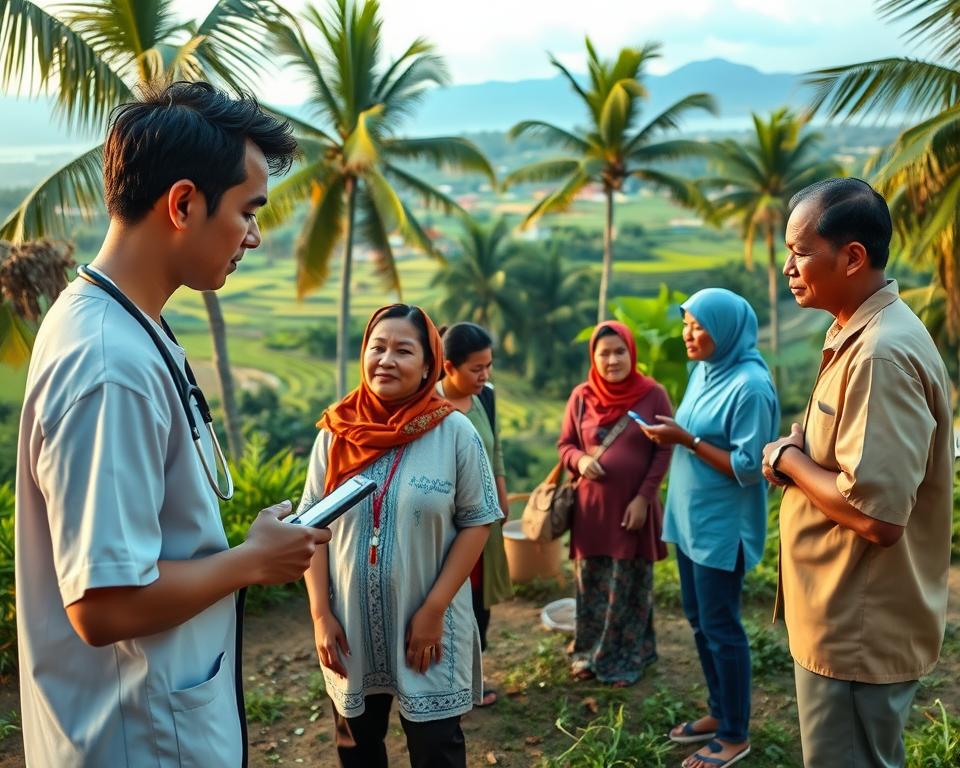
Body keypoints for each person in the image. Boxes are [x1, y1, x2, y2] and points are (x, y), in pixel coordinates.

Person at [15, 81, 330, 767]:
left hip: (152, 717)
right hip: (138, 737)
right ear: (183, 202)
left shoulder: (122, 319)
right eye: (248, 212)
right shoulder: (110, 365)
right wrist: (252, 562)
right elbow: (103, 605)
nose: (252, 235)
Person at [762, 178, 953, 768]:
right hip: (841, 613)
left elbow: (876, 517)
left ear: (852, 257)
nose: (788, 266)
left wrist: (789, 460)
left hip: (855, 626)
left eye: (800, 251)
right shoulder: (858, 329)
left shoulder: (880, 354)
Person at [301, 303, 502, 768]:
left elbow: (479, 521)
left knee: (436, 751)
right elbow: (312, 525)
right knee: (357, 746)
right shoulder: (336, 432)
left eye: (403, 350)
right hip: (349, 623)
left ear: (429, 364)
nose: (386, 360)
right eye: (378, 347)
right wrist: (319, 614)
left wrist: (433, 610)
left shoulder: (454, 433)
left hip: (428, 625)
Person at [641, 288, 779, 768]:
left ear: (725, 331)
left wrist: (687, 439)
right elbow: (691, 430)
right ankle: (720, 713)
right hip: (691, 521)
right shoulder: (705, 370)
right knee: (700, 622)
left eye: (699, 327)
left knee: (722, 628)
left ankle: (736, 733)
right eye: (686, 325)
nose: (689, 335)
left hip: (723, 529)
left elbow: (748, 467)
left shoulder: (750, 387)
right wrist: (673, 434)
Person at [557, 321, 673, 687]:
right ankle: (589, 654)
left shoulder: (653, 394)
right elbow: (565, 445)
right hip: (590, 514)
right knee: (590, 585)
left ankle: (625, 659)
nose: (612, 360)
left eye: (619, 351)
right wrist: (578, 461)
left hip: (632, 512)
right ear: (593, 357)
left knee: (628, 586)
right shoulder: (581, 396)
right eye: (604, 353)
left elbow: (663, 448)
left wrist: (644, 498)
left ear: (631, 352)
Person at [437, 322, 513, 707]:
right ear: (449, 367)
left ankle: (471, 677)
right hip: (443, 525)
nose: (485, 376)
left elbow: (494, 449)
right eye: (476, 369)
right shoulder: (428, 402)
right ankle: (445, 681)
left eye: (488, 366)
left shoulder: (487, 398)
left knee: (480, 599)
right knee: (445, 596)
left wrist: (500, 491)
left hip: (481, 518)